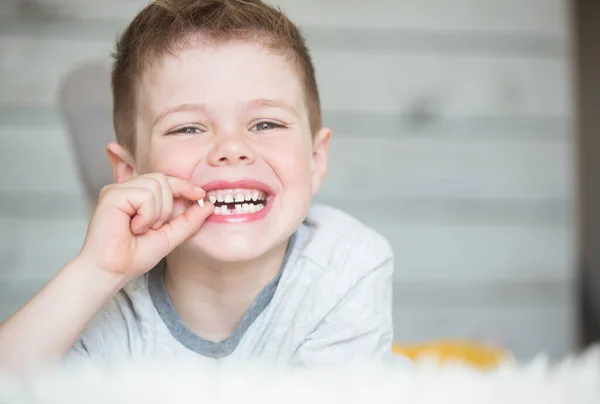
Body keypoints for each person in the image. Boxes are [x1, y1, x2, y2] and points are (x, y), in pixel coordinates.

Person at [0, 0, 394, 371]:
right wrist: (97, 270)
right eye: (187, 127)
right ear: (128, 171)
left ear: (315, 159)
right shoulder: (111, 296)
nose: (231, 148)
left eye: (266, 123)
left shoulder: (346, 263)